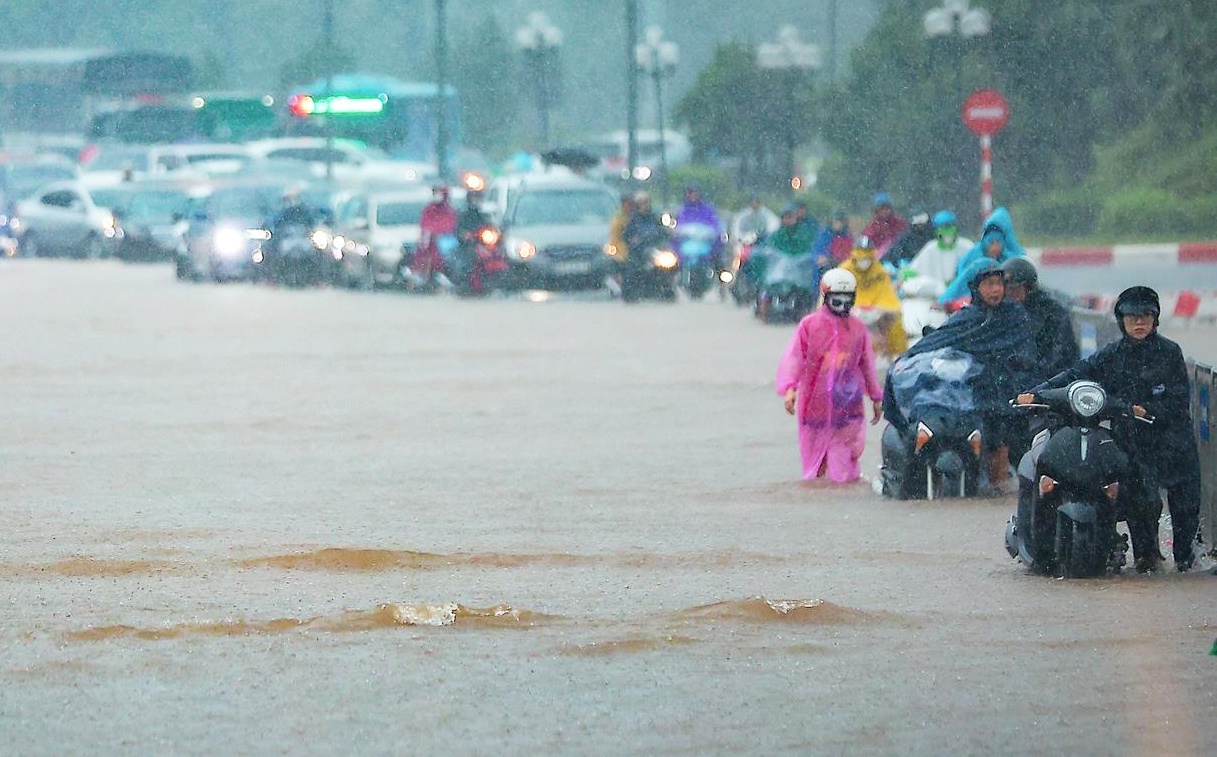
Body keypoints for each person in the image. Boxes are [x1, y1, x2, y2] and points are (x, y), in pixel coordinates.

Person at [1017, 286, 1201, 573]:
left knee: (1184, 504)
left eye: (1145, 317)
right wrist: (1037, 392)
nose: (1139, 324)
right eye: (1132, 318)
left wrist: (1149, 410)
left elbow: (1178, 401)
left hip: (1170, 440)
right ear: (1122, 322)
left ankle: (1186, 559)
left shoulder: (1169, 353)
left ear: (1155, 320)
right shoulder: (1112, 354)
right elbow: (1076, 373)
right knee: (1139, 496)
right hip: (1130, 439)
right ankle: (1144, 556)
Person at [885, 260, 1036, 493]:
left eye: (998, 284)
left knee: (1001, 433)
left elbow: (1024, 356)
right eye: (989, 284)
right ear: (976, 288)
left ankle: (998, 486)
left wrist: (1003, 368)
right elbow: (937, 342)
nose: (995, 290)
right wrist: (904, 361)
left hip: (1003, 390)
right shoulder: (966, 318)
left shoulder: (1015, 316)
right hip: (970, 391)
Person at [775, 268, 884, 484]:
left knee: (841, 472)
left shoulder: (858, 329)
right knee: (815, 471)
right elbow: (795, 359)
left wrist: (876, 397)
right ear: (826, 297)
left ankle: (841, 503)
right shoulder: (810, 325)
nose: (842, 304)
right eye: (837, 299)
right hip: (814, 408)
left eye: (847, 299)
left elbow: (867, 365)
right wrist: (790, 389)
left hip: (848, 409)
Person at [838, 236, 908, 362]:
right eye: (860, 255)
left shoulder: (879, 272)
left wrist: (888, 310)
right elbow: (834, 295)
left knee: (896, 324)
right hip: (850, 312)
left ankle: (900, 359)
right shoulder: (844, 271)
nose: (863, 260)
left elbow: (887, 295)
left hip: (876, 312)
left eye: (867, 256)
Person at [938, 206, 1024, 305]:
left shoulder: (1011, 260)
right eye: (991, 242)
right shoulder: (975, 260)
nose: (995, 247)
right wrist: (944, 301)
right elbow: (960, 283)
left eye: (998, 242)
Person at [904, 210, 973, 298]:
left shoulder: (966, 246)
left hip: (962, 296)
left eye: (949, 227)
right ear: (936, 231)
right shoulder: (931, 248)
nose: (946, 232)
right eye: (942, 228)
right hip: (933, 297)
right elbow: (914, 271)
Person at [411, 184, 457, 287]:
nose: (437, 195)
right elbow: (425, 223)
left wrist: (437, 233)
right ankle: (420, 273)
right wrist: (430, 233)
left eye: (439, 193)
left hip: (444, 241)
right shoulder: (429, 209)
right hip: (429, 241)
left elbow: (449, 226)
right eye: (435, 192)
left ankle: (443, 273)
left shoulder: (449, 211)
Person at [675, 183, 727, 269]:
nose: (693, 195)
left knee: (717, 260)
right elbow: (676, 229)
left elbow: (716, 226)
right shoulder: (682, 211)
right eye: (690, 192)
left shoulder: (708, 210)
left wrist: (707, 233)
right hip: (685, 248)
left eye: (695, 192)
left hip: (706, 245)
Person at [861, 192, 909, 257]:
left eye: (887, 208)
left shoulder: (900, 224)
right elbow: (864, 249)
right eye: (882, 208)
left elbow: (907, 239)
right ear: (876, 210)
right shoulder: (871, 229)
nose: (885, 211)